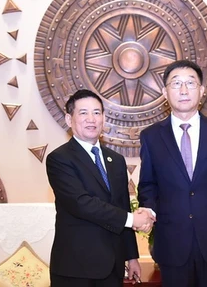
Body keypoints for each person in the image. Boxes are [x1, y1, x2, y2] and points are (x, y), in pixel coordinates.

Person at [137, 60, 207, 287]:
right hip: (172, 243)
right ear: (164, 92)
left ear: (201, 90)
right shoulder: (151, 136)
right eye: (176, 83)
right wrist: (148, 210)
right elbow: (148, 184)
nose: (183, 90)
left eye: (190, 83)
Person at [46, 89, 155, 287]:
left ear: (104, 119)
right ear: (69, 119)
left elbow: (122, 206)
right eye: (83, 113)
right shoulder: (59, 159)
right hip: (76, 268)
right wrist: (133, 220)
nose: (91, 119)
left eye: (97, 113)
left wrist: (131, 257)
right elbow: (81, 203)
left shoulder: (116, 160)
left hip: (112, 267)